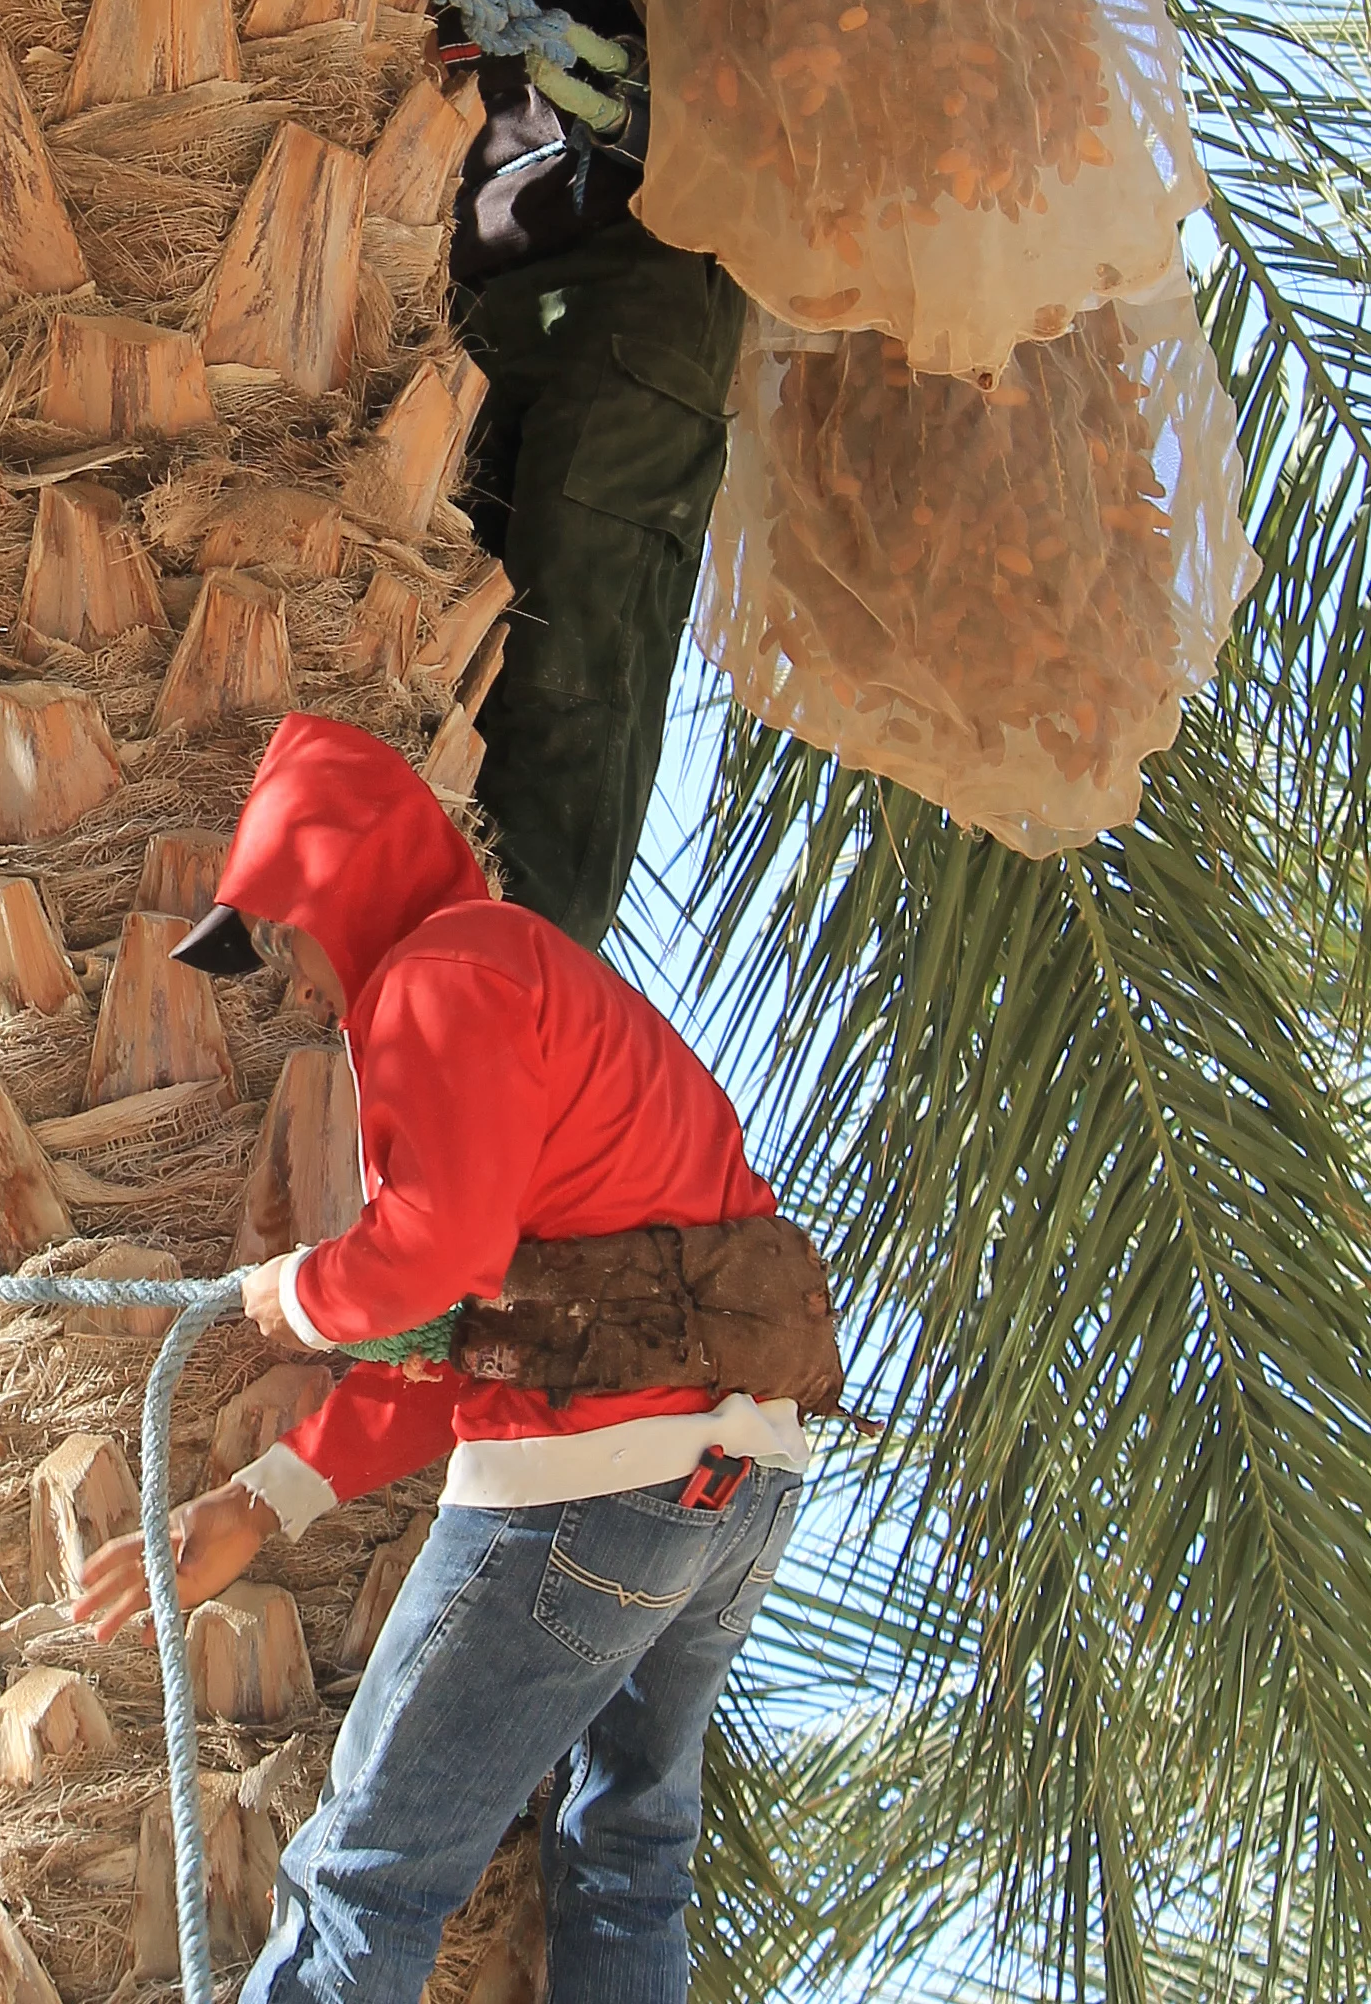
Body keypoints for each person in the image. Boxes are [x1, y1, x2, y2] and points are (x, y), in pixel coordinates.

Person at [73, 713, 833, 2004]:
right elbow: (468, 1345)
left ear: (341, 889)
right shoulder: (538, 983)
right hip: (738, 1489)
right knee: (629, 1852)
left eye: (289, 938)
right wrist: (260, 1504)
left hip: (589, 1489)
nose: (298, 985)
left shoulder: (438, 980)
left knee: (367, 1878)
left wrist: (295, 1295)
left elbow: (428, 1259)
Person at [448, 0, 749, 953]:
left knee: (564, 702)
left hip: (632, 258)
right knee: (408, 669)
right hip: (444, 299)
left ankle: (503, 1018)